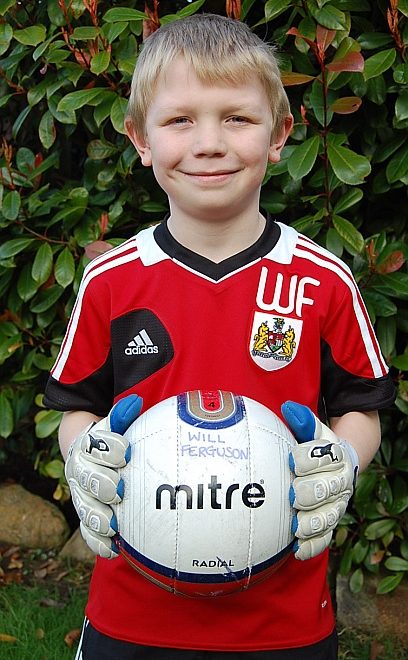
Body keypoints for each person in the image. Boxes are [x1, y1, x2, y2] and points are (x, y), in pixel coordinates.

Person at [44, 13, 396, 660]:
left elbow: (361, 406)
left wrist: (342, 462)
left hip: (284, 617)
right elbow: (77, 406)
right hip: (132, 610)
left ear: (280, 134)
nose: (209, 143)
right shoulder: (110, 281)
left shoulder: (324, 279)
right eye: (180, 120)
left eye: (236, 117)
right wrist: (82, 455)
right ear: (140, 138)